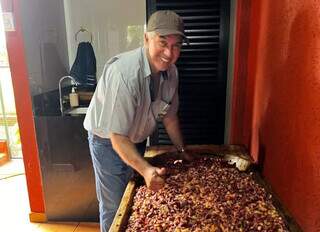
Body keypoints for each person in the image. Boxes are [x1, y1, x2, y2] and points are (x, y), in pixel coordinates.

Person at [83, 10, 192, 232]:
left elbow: (170, 117)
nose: (169, 53)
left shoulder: (171, 73)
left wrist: (182, 150)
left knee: (133, 197)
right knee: (114, 205)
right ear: (146, 38)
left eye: (176, 45)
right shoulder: (124, 74)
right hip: (107, 141)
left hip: (136, 137)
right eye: (162, 42)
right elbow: (117, 137)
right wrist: (146, 169)